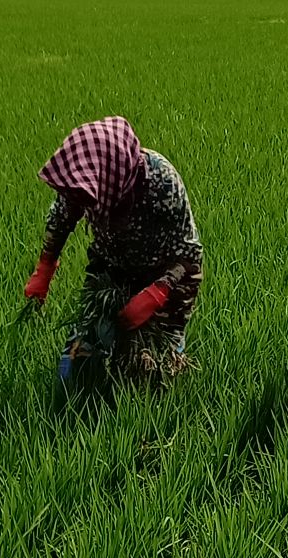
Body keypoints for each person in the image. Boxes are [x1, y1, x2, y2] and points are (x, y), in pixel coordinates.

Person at [23, 116, 201, 381]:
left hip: (166, 275)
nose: (83, 201)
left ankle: (147, 401)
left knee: (154, 367)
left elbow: (189, 254)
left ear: (110, 179)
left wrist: (157, 292)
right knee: (77, 358)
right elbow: (61, 219)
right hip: (112, 270)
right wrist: (45, 267)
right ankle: (77, 395)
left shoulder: (162, 183)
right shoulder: (85, 180)